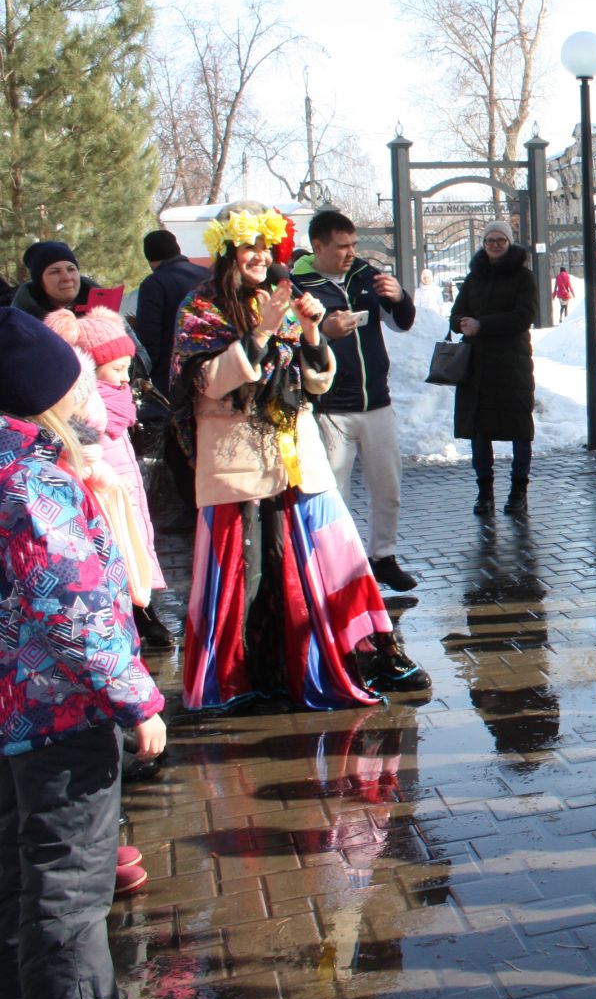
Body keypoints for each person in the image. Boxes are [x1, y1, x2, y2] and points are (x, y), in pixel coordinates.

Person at [170, 202, 425, 709]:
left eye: (267, 248)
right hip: (238, 466)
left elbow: (314, 384)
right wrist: (260, 333)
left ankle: (360, 655)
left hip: (298, 458)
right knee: (248, 575)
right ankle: (242, 679)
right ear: (227, 253)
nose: (261, 258)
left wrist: (310, 333)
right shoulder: (200, 308)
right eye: (250, 249)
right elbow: (206, 385)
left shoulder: (280, 298)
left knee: (333, 561)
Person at [0, 308, 167, 999]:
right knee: (69, 897)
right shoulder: (32, 485)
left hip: (17, 720)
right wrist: (139, 699)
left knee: (21, 883)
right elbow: (75, 613)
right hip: (58, 719)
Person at [291, 210, 419, 594]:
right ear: (318, 246)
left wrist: (399, 298)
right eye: (342, 246)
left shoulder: (365, 275)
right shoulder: (299, 285)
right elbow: (288, 344)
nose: (351, 253)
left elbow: (401, 323)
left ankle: (384, 557)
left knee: (388, 487)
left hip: (376, 401)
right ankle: (340, 566)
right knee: (335, 492)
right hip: (330, 408)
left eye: (353, 245)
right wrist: (323, 333)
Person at [47, 308, 170, 648]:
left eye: (127, 370)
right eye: (116, 370)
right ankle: (135, 621)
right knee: (120, 559)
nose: (124, 379)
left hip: (124, 493)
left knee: (136, 551)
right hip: (106, 497)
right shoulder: (88, 403)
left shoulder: (118, 401)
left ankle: (143, 614)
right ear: (92, 367)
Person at [450, 220, 538, 518]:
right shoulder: (475, 276)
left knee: (519, 429)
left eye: (501, 239)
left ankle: (518, 491)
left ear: (510, 242)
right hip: (478, 365)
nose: (495, 244)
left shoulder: (523, 276)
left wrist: (482, 325)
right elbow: (456, 313)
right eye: (490, 240)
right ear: (483, 244)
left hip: (512, 364)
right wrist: (462, 322)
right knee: (479, 430)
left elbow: (524, 316)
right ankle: (484, 492)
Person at [133, 230, 206, 402]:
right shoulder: (208, 275)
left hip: (174, 375)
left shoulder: (154, 283)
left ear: (149, 259)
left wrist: (147, 371)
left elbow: (149, 334)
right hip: (215, 368)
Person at [10, 241, 105, 319]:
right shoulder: (20, 325)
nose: (67, 278)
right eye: (55, 272)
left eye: (71, 269)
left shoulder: (111, 310)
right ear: (40, 281)